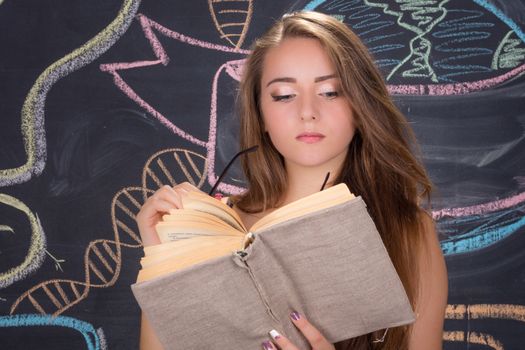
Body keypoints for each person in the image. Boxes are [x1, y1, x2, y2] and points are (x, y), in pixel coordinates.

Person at [136, 11, 448, 350]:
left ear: (360, 107)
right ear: (262, 115)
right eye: (284, 95)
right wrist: (162, 264)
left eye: (330, 92)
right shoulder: (212, 230)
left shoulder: (407, 231)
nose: (307, 111)